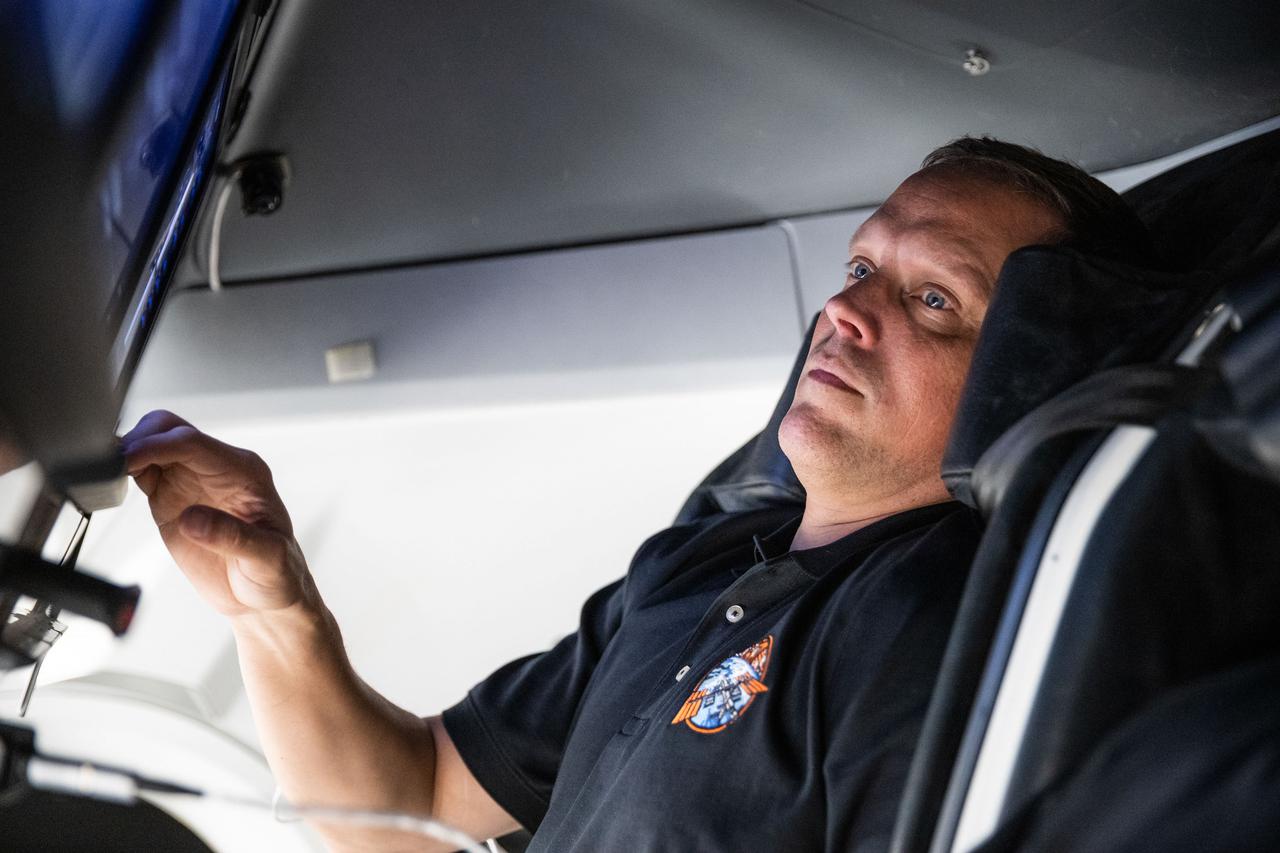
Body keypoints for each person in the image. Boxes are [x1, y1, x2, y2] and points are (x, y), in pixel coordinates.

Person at [120, 138, 1152, 851]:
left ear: (1025, 379)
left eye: (930, 298)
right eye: (857, 265)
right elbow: (407, 804)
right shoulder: (703, 557)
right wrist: (271, 609)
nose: (844, 311)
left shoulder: (927, 624)